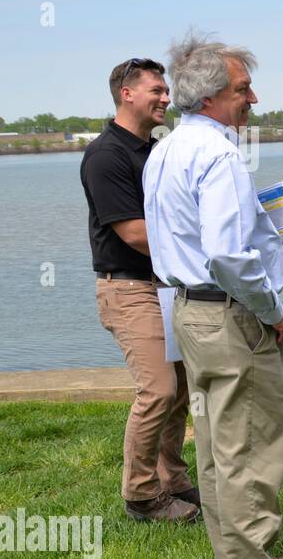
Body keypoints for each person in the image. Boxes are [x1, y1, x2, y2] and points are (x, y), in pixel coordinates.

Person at [142, 31, 283, 559]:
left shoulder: (164, 150)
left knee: (218, 443)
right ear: (211, 97)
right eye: (244, 88)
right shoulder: (220, 154)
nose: (254, 98)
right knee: (251, 443)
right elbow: (228, 255)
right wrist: (273, 310)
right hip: (231, 315)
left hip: (190, 312)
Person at [81, 57, 199, 523]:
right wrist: (203, 256)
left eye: (166, 90)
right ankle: (141, 496)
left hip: (165, 285)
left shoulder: (153, 150)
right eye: (157, 90)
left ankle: (173, 480)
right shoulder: (106, 156)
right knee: (157, 390)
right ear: (126, 94)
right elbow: (134, 233)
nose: (166, 98)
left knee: (181, 389)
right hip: (129, 290)